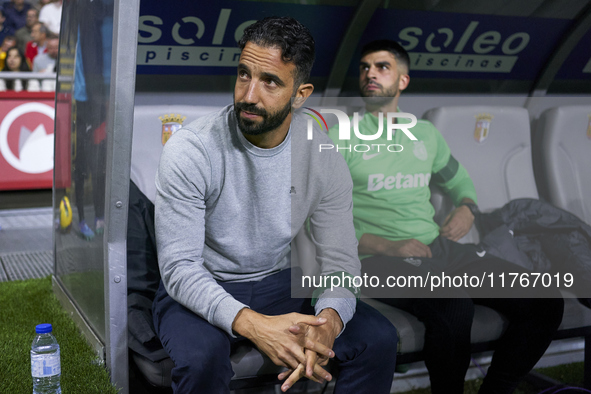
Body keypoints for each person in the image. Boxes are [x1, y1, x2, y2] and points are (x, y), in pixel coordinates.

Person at [153, 17, 397, 393]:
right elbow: (180, 268)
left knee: (377, 338)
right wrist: (254, 324)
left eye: (270, 81)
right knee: (201, 358)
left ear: (301, 94)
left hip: (277, 283)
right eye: (243, 74)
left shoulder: (323, 155)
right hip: (200, 284)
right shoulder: (192, 149)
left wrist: (329, 323)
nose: (249, 95)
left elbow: (342, 263)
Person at [328, 39, 564, 394]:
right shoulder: (340, 137)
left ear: (403, 81)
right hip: (375, 259)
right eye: (364, 67)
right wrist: (385, 245)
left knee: (545, 300)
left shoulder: (425, 134)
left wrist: (467, 207)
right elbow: (322, 215)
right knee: (454, 305)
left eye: (381, 67)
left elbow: (459, 180)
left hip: (437, 248)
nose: (370, 74)